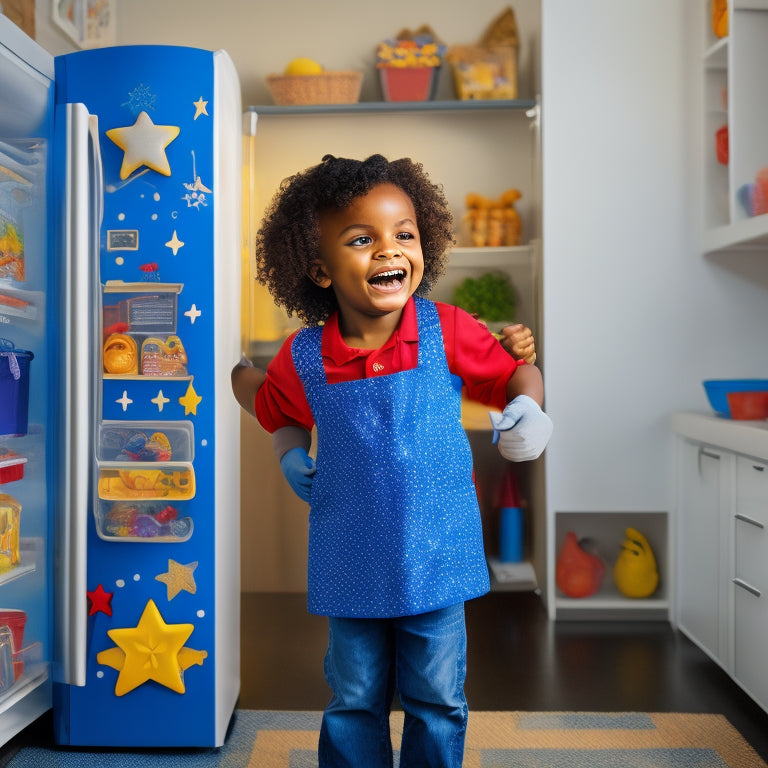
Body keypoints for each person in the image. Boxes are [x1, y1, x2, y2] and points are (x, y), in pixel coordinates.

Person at [231, 154, 552, 768]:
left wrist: (530, 410)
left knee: (436, 698)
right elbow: (270, 404)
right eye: (362, 239)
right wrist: (277, 433)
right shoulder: (305, 354)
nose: (390, 250)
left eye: (404, 234)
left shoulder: (446, 328)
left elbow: (515, 375)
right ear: (320, 269)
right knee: (353, 697)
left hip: (437, 556)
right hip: (349, 557)